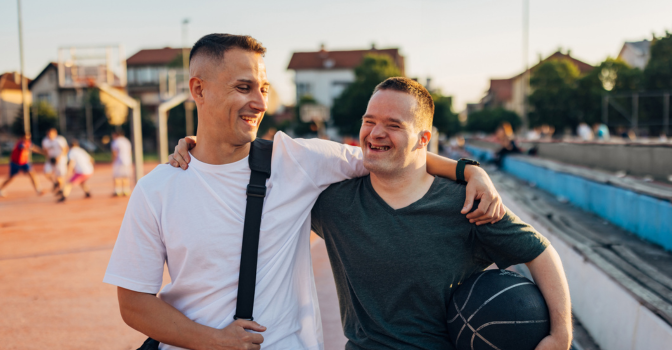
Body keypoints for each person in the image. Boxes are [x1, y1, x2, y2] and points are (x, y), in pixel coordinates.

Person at [104, 34, 504, 350]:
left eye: (263, 87)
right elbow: (134, 303)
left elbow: (391, 155)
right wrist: (216, 341)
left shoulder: (297, 159)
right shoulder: (157, 188)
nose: (260, 102)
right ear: (199, 89)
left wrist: (471, 171)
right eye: (244, 87)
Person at [172, 78, 573, 350]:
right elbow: (252, 161)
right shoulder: (332, 202)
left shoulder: (464, 204)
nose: (375, 133)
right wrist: (201, 144)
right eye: (369, 121)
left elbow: (539, 252)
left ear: (422, 138)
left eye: (392, 125)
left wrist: (561, 335)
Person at [0, 132, 45, 197]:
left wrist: (42, 152)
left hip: (24, 162)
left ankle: (38, 189)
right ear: (22, 137)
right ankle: (1, 188)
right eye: (25, 137)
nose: (27, 139)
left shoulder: (28, 142)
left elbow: (34, 147)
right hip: (15, 163)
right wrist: (31, 149)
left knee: (32, 174)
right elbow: (25, 148)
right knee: (11, 178)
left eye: (28, 137)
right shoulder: (20, 143)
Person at [110, 130, 133, 196]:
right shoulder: (126, 141)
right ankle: (126, 190)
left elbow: (115, 153)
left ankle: (118, 191)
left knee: (117, 176)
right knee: (126, 176)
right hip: (127, 161)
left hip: (119, 161)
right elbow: (130, 152)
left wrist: (113, 161)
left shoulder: (116, 141)